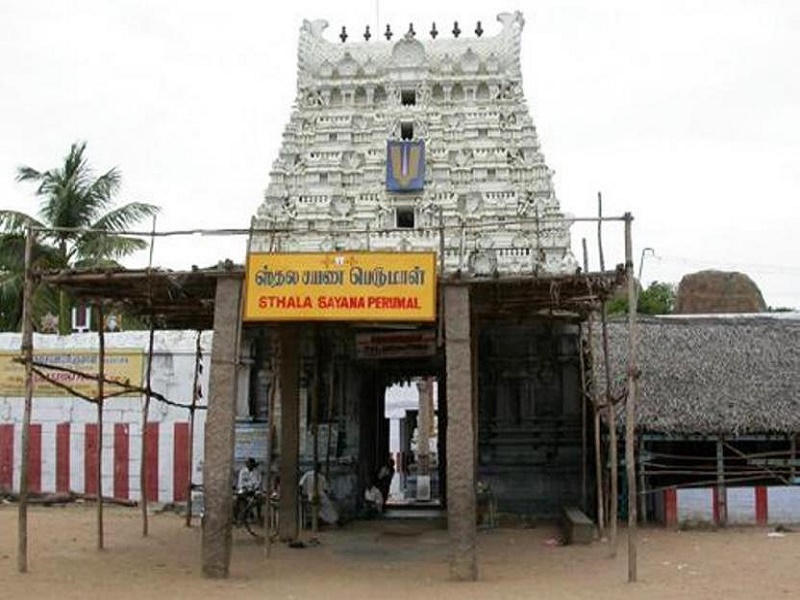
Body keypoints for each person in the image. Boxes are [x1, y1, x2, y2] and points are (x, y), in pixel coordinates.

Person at [235, 458, 262, 525]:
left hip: (253, 490)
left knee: (258, 497)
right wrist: (245, 487)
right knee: (241, 498)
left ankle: (257, 517)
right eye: (248, 464)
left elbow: (258, 482)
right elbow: (240, 482)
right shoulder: (243, 471)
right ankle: (241, 518)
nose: (249, 465)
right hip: (244, 490)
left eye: (250, 464)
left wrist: (253, 487)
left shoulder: (257, 472)